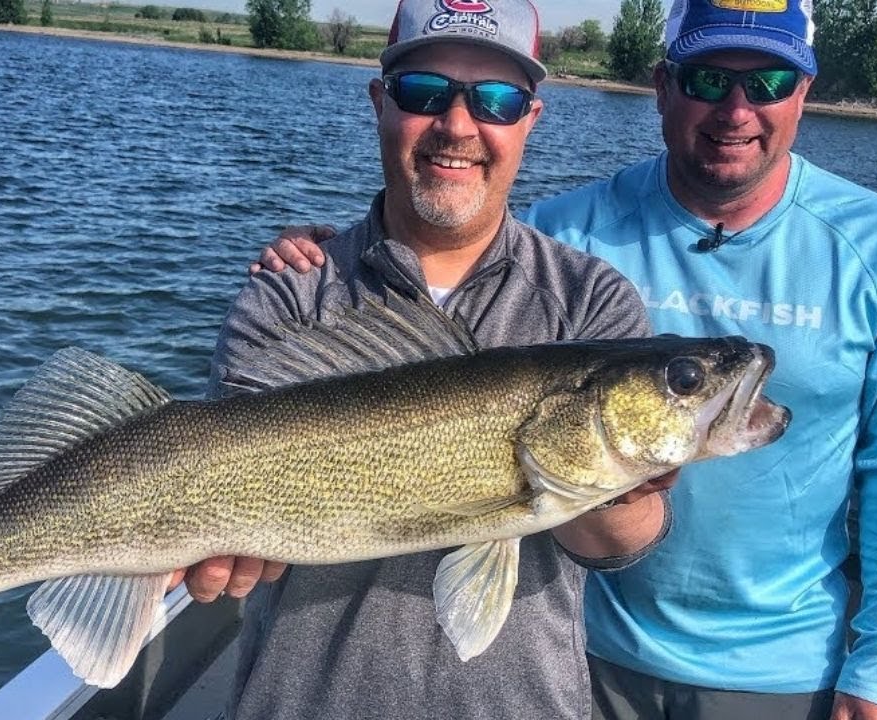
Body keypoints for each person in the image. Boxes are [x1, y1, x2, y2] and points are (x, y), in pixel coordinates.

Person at [252, 1, 877, 719]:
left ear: (803, 92)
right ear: (663, 86)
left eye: (770, 83)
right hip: (587, 649)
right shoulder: (568, 232)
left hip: (782, 664)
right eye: (708, 80)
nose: (736, 109)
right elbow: (452, 241)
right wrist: (322, 258)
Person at [175, 1, 679, 719]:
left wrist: (619, 472)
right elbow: (217, 482)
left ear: (530, 120)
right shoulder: (291, 290)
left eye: (496, 99)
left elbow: (616, 548)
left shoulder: (590, 301)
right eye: (423, 92)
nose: (458, 124)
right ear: (379, 103)